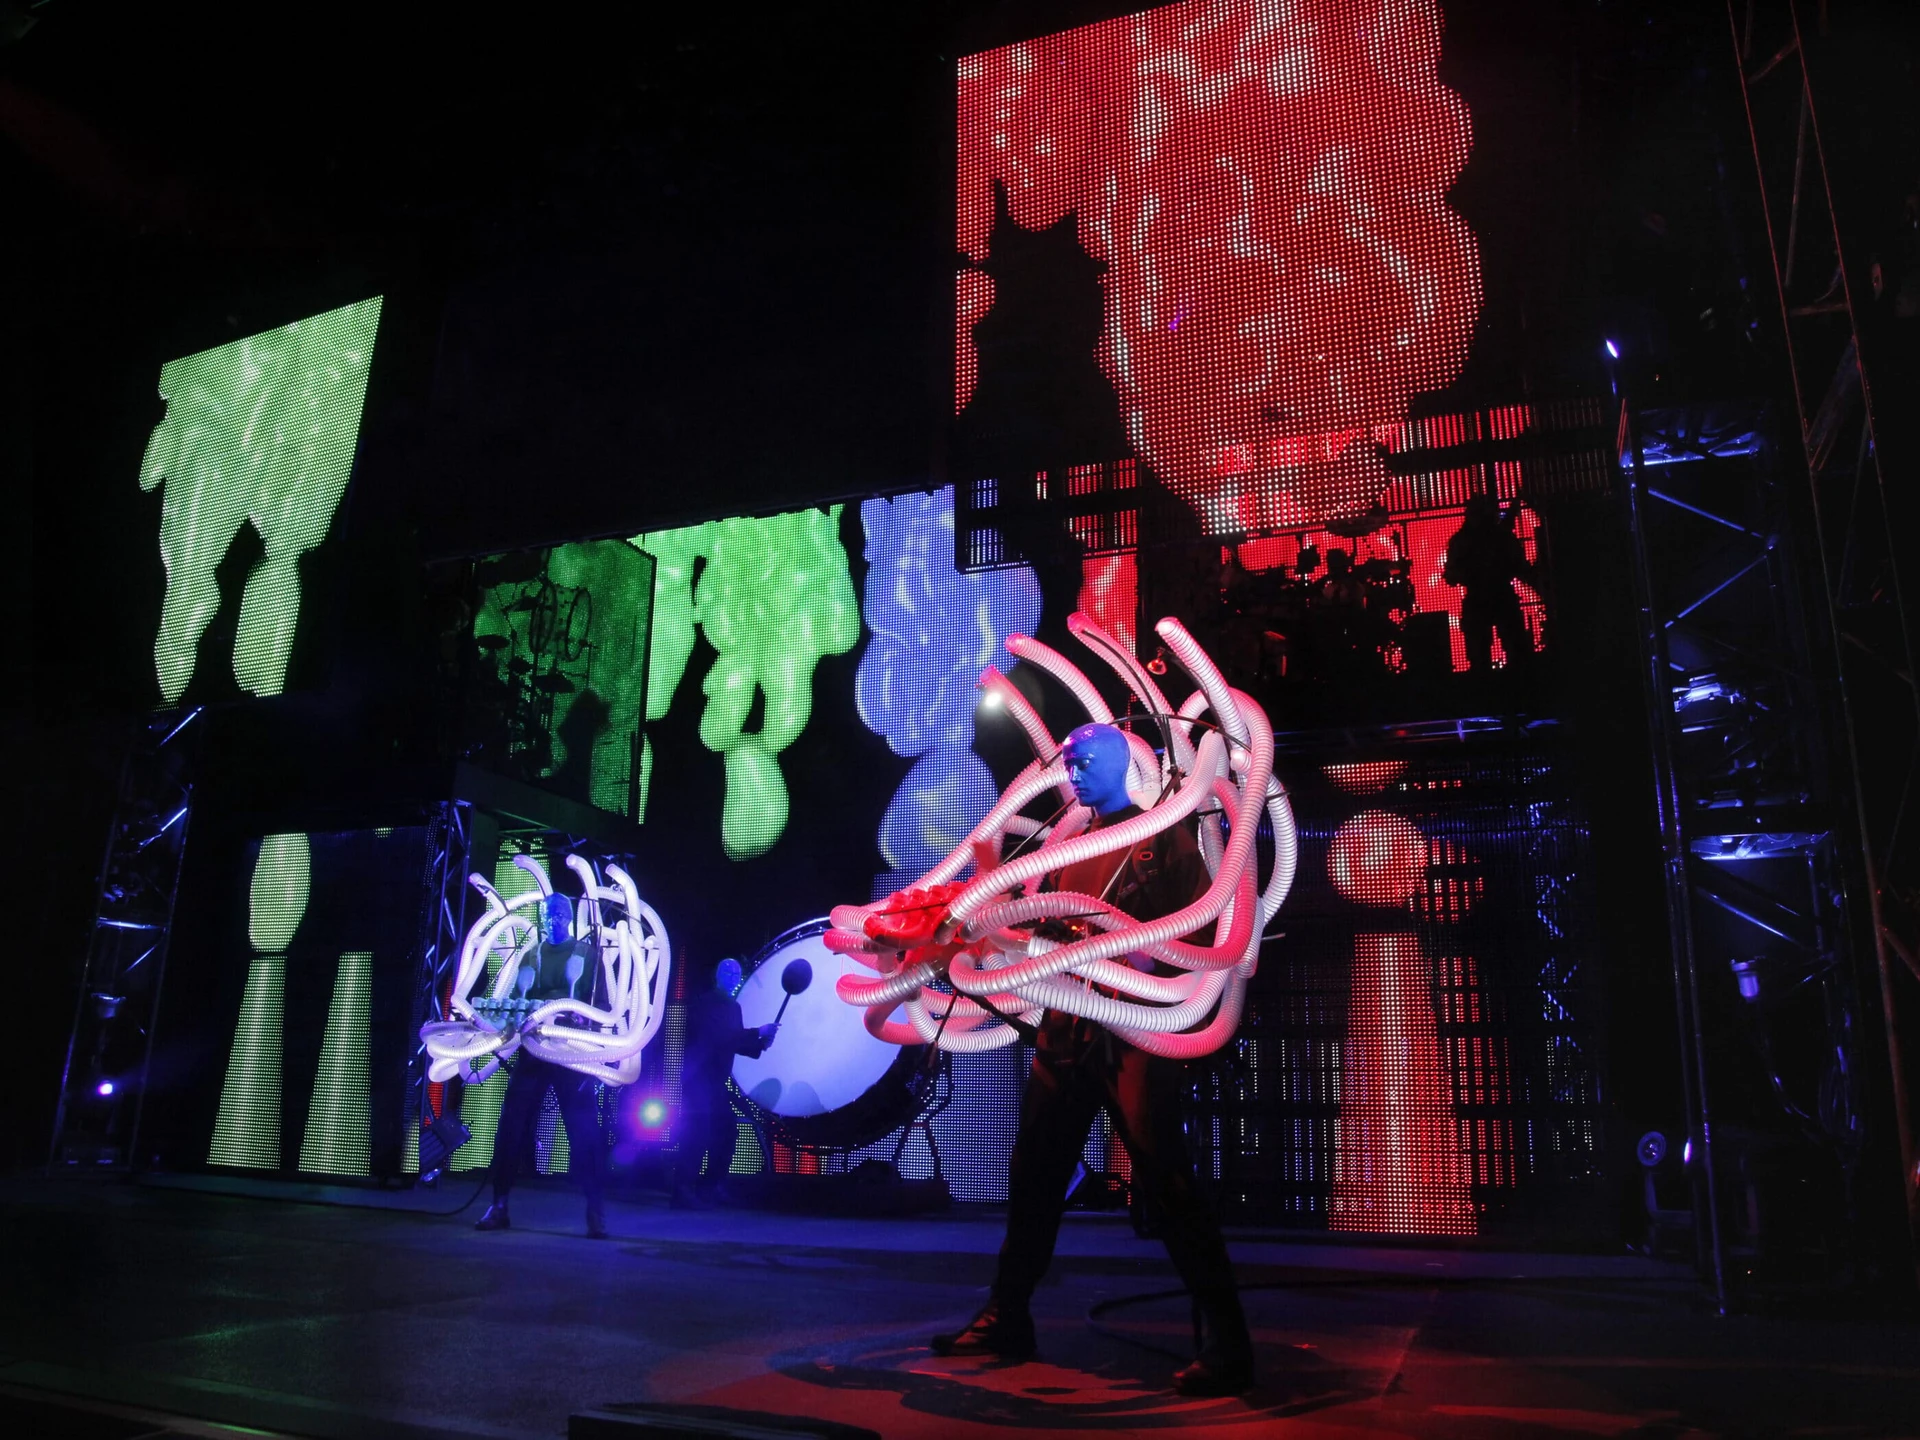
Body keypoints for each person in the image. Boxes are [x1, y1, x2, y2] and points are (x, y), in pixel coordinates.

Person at [931, 722, 1256, 1397]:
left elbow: (1199, 930)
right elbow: (1035, 924)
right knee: (1035, 1174)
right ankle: (1007, 1315)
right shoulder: (1067, 846)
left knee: (1167, 1179)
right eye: (1069, 763)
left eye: (1084, 762)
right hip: (1066, 1029)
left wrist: (1136, 954)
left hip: (1131, 1033)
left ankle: (1227, 1342)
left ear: (1118, 764)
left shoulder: (1160, 837)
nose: (1072, 773)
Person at [475, 891, 610, 1238]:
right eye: (548, 913)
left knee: (584, 1130)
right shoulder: (531, 955)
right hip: (533, 1049)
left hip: (569, 1052)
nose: (554, 918)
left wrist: (587, 1031)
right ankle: (499, 1204)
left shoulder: (587, 955)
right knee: (511, 1126)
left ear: (570, 916)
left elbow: (602, 1005)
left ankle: (595, 1209)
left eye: (560, 912)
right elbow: (516, 1001)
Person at [672, 958, 779, 1208]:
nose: (733, 976)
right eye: (728, 971)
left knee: (727, 1132)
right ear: (717, 975)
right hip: (697, 1080)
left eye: (736, 973)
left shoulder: (733, 1007)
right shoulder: (706, 1003)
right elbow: (719, 1036)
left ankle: (709, 1187)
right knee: (697, 1134)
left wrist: (760, 1043)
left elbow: (733, 1042)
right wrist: (757, 1033)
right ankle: (683, 1190)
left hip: (716, 1083)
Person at [1443, 493, 1538, 674]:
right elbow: (1520, 565)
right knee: (1503, 649)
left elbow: (1452, 575)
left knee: (1492, 651)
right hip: (1495, 597)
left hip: (1486, 598)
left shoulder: (1465, 540)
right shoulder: (1498, 536)